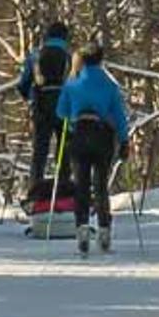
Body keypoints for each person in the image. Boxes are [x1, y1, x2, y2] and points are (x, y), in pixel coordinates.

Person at [52, 47, 132, 252]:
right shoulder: (109, 85)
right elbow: (119, 117)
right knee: (100, 185)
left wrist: (72, 119)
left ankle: (82, 228)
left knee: (81, 185)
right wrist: (124, 141)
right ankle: (104, 228)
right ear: (101, 60)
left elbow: (61, 111)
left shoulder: (73, 83)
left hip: (79, 134)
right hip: (103, 135)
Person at [17, 21, 78, 229]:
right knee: (64, 153)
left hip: (41, 108)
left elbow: (23, 84)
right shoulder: (71, 58)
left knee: (40, 153)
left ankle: (35, 196)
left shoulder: (35, 56)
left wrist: (31, 96)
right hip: (65, 109)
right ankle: (64, 195)